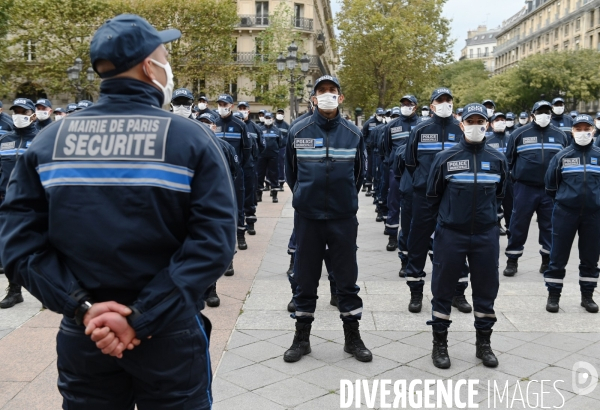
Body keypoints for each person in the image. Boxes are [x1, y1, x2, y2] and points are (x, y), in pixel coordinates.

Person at [0, 14, 236, 408]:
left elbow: (18, 244)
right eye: (164, 54)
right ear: (149, 65)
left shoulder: (50, 140)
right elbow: (213, 243)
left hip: (86, 335)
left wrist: (84, 308)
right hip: (168, 333)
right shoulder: (190, 138)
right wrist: (140, 317)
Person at [284, 75, 371, 363]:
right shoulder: (298, 131)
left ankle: (352, 337)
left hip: (343, 218)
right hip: (308, 218)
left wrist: (344, 200)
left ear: (340, 98)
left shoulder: (354, 134)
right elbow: (291, 174)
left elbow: (359, 175)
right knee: (305, 278)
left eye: (332, 91)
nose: (327, 95)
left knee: (347, 279)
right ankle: (301, 338)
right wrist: (304, 197)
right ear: (313, 97)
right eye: (321, 91)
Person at [426, 103, 508, 369]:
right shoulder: (445, 158)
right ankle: (440, 344)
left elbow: (501, 194)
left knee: (486, 290)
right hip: (451, 234)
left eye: (479, 121)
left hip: (485, 235)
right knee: (442, 288)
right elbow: (433, 196)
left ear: (486, 125)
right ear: (461, 125)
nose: (475, 125)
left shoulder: (497, 160)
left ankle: (483, 344)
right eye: (470, 121)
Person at [404, 88, 471, 314]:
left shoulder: (461, 128)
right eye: (439, 100)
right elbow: (410, 161)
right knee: (418, 242)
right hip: (424, 197)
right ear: (431, 105)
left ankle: (458, 293)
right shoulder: (420, 129)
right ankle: (416, 292)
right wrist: (424, 181)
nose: (444, 103)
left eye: (447, 100)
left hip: (454, 196)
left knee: (456, 242)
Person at [503, 101, 568, 276]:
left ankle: (547, 260)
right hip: (524, 188)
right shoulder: (519, 134)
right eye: (540, 111)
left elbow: (565, 162)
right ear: (533, 114)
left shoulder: (561, 135)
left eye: (547, 111)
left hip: (550, 190)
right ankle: (512, 260)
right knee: (518, 224)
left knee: (549, 226)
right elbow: (508, 161)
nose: (544, 115)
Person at [544, 114, 600, 314]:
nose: (583, 132)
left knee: (591, 257)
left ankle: (587, 296)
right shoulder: (562, 156)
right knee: (558, 255)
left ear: (593, 131)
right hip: (565, 213)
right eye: (579, 129)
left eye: (587, 129)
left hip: (594, 215)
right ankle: (553, 296)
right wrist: (566, 201)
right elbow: (551, 186)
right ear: (573, 131)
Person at [0, 98, 39, 309]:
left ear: (32, 114)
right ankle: (15, 291)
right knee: (8, 248)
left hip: (34, 203)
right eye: (16, 111)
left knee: (40, 247)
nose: (18, 115)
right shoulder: (4, 139)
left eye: (24, 111)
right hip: (7, 202)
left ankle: (48, 291)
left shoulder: (42, 138)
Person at [198, 112, 238, 308]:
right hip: (192, 203)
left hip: (214, 202)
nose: (206, 126)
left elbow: (235, 174)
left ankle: (211, 288)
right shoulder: (190, 145)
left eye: (209, 123)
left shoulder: (225, 148)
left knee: (210, 244)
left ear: (215, 126)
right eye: (202, 123)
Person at [382, 96, 420, 251]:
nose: (405, 106)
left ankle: (412, 237)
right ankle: (392, 236)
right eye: (403, 104)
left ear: (415, 107)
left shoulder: (422, 125)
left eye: (409, 104)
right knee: (394, 203)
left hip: (417, 172)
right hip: (397, 172)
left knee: (414, 206)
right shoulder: (392, 126)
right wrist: (393, 162)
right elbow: (385, 148)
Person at [214, 94, 252, 250]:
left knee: (238, 204)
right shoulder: (213, 123)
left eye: (225, 104)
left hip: (235, 172)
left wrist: (238, 166)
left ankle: (240, 235)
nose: (222, 106)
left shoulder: (240, 125)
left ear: (231, 106)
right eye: (220, 103)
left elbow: (247, 149)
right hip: (216, 172)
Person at [237, 102, 264, 233]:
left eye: (245, 108)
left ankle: (250, 221)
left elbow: (261, 146)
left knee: (249, 195)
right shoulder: (235, 124)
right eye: (240, 108)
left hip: (249, 167)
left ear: (249, 110)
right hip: (234, 167)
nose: (242, 111)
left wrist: (253, 159)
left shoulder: (255, 128)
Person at [486, 112, 512, 236]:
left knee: (511, 207)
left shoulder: (511, 138)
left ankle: (511, 229)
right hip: (493, 179)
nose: (501, 122)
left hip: (510, 180)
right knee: (494, 206)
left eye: (503, 119)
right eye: (497, 120)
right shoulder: (487, 140)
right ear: (491, 124)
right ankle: (496, 226)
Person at [257, 112, 283, 203]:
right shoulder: (259, 129)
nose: (267, 119)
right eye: (266, 117)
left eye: (269, 118)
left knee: (274, 175)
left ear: (272, 119)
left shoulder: (276, 130)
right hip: (261, 155)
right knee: (260, 174)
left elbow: (280, 143)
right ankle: (259, 194)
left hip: (273, 155)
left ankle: (274, 195)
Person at [361, 108, 384, 197]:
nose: (380, 117)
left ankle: (375, 188)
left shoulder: (384, 123)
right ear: (376, 114)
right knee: (369, 169)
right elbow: (363, 134)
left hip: (379, 150)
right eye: (379, 115)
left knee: (376, 171)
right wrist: (366, 145)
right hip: (369, 150)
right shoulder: (369, 123)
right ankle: (368, 188)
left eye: (382, 115)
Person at [275, 108, 289, 189]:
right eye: (278, 113)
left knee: (281, 165)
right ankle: (271, 181)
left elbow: (288, 137)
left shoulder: (286, 126)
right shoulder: (273, 125)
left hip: (282, 148)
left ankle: (281, 182)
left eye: (281, 113)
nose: (280, 114)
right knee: (273, 166)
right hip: (273, 148)